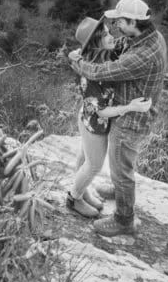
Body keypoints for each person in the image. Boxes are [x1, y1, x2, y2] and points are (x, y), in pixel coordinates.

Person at [70, 0, 167, 237]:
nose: (116, 28)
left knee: (121, 170)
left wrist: (78, 62)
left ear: (134, 22)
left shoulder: (142, 55)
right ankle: (110, 191)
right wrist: (88, 50)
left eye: (120, 21)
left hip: (131, 120)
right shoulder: (151, 37)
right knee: (113, 165)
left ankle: (124, 220)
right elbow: (120, 45)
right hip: (129, 113)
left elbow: (102, 71)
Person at [63, 16, 154, 218]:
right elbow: (101, 111)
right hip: (95, 122)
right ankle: (73, 197)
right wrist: (130, 107)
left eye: (108, 30)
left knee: (85, 157)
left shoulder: (109, 55)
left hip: (89, 117)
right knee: (94, 164)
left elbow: (129, 47)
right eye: (104, 34)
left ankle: (82, 190)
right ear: (96, 43)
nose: (111, 35)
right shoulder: (90, 75)